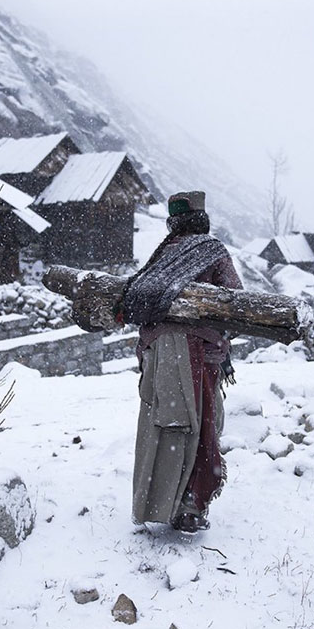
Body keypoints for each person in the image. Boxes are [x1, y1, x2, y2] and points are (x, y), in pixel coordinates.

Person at [120, 190, 242, 532]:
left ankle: (158, 502)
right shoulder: (212, 252)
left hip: (160, 353)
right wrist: (217, 338)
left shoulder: (163, 254)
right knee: (200, 426)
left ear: (174, 223)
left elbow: (141, 305)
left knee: (162, 426)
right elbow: (235, 301)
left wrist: (149, 348)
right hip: (197, 354)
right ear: (202, 220)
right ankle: (190, 505)